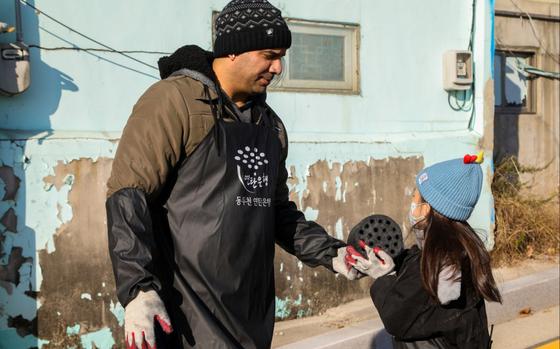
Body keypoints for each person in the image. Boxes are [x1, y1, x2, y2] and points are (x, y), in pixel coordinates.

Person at [105, 1, 357, 348]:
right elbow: (128, 196)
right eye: (268, 54)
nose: (278, 67)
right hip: (185, 316)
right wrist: (138, 289)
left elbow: (277, 212)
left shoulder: (269, 127)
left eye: (281, 55)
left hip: (250, 316)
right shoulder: (175, 102)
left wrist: (332, 253)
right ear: (233, 51)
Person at [347, 153, 502, 349]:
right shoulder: (464, 249)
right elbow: (414, 260)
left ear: (426, 209)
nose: (411, 203)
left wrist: (384, 277)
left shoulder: (433, 264)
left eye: (414, 197)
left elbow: (396, 319)